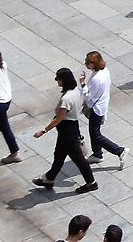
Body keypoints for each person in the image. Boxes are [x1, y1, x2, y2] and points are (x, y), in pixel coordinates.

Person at [32, 65, 99, 193]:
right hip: (71, 127)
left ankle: (91, 182)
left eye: (58, 78)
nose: (56, 80)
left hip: (67, 130)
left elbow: (59, 118)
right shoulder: (76, 91)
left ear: (64, 80)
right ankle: (49, 179)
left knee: (78, 158)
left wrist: (43, 131)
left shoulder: (66, 99)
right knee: (59, 155)